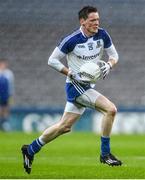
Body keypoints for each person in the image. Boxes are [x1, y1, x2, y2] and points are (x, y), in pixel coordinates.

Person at [21, 6, 122, 174]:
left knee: (64, 126)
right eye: (92, 20)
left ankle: (30, 149)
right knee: (110, 109)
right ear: (82, 21)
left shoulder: (102, 35)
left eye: (97, 20)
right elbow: (52, 60)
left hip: (88, 86)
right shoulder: (71, 40)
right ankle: (105, 154)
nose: (96, 23)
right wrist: (70, 72)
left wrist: (109, 65)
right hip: (75, 86)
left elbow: (115, 56)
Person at [0, 59, 15, 131]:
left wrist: (11, 95)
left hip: (6, 95)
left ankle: (5, 125)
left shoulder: (9, 73)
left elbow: (11, 85)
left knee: (6, 110)